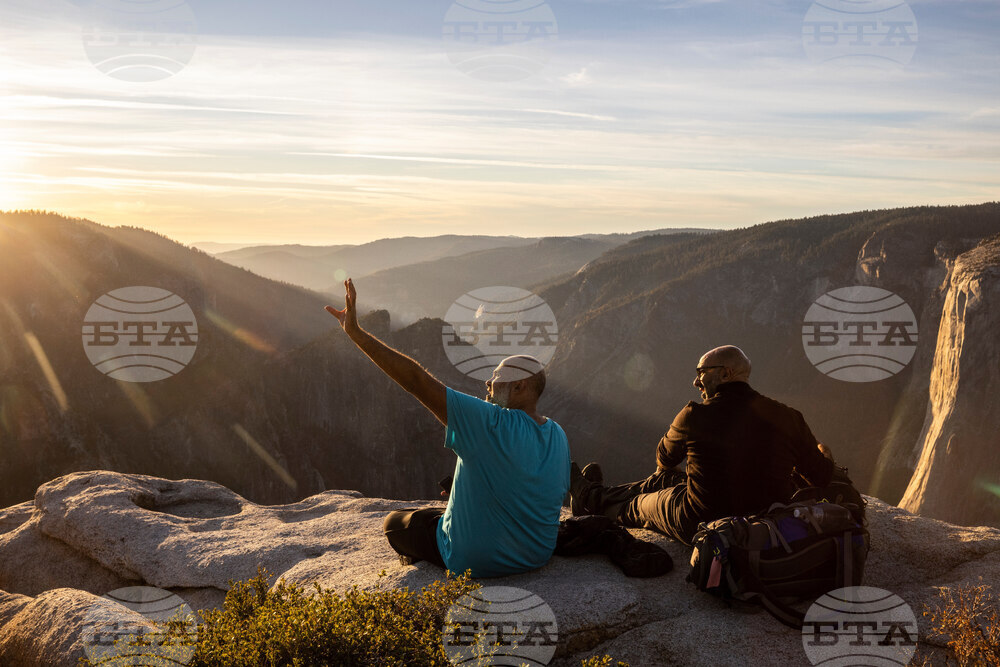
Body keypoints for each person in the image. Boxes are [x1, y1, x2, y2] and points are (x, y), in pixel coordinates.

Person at [326, 279, 570, 577]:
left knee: (396, 523)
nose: (488, 382)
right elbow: (538, 490)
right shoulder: (557, 434)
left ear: (519, 386)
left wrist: (355, 333)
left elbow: (416, 381)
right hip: (537, 555)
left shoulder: (490, 422)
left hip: (473, 559)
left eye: (497, 376)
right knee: (437, 513)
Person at [570, 345, 834, 545]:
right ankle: (592, 494)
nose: (695, 381)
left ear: (725, 374)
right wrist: (822, 454)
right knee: (667, 480)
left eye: (701, 373)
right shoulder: (789, 417)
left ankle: (591, 500)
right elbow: (821, 476)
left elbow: (664, 458)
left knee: (639, 505)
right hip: (765, 523)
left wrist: (674, 472)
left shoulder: (694, 415)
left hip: (699, 521)